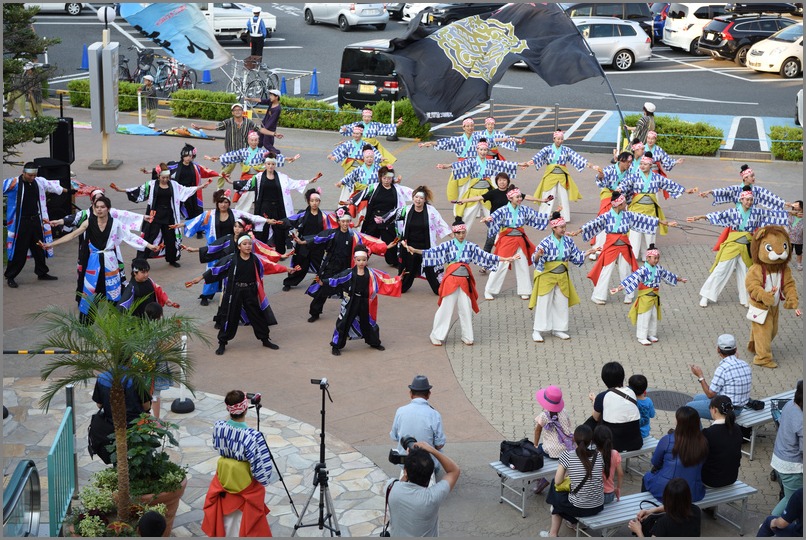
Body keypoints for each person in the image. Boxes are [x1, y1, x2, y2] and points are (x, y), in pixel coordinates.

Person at [40, 196, 158, 323]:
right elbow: (73, 234)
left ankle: (116, 320)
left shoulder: (116, 223)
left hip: (110, 261)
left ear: (108, 209)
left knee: (113, 291)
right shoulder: (89, 222)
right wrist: (51, 244)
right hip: (94, 262)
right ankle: (87, 321)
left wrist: (150, 246)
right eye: (97, 207)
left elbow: (131, 236)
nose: (100, 210)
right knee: (91, 290)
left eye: (102, 207)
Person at [405, 217, 518, 346]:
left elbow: (485, 255)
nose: (461, 235)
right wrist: (414, 250)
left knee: (465, 308)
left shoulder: (470, 246)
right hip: (451, 280)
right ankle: (436, 334)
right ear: (454, 233)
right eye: (458, 233)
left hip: (464, 280)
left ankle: (467, 336)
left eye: (463, 232)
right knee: (445, 308)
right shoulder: (447, 245)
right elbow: (432, 252)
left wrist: (506, 258)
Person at [186, 235, 294, 355]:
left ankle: (265, 339)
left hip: (250, 291)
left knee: (257, 316)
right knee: (229, 317)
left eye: (249, 244)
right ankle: (222, 342)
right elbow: (216, 269)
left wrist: (286, 269)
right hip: (235, 291)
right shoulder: (232, 259)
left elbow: (271, 266)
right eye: (245, 244)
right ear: (239, 246)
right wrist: (200, 277)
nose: (248, 246)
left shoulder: (256, 259)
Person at [687, 186, 789, 308]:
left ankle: (746, 298)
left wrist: (791, 212)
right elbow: (719, 215)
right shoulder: (733, 212)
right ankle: (706, 296)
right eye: (747, 200)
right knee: (721, 270)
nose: (749, 202)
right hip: (733, 244)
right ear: (741, 200)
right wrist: (700, 217)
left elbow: (773, 214)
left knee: (746, 273)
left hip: (746, 246)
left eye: (751, 200)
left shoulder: (757, 212)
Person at [569, 191, 673, 305]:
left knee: (626, 270)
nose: (626, 205)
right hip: (611, 246)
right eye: (624, 203)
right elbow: (593, 223)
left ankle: (629, 295)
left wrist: (660, 221)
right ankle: (598, 295)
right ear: (618, 205)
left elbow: (643, 218)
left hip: (624, 246)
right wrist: (579, 230)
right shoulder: (607, 216)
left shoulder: (628, 215)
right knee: (606, 271)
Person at [202, 390, 273, 537]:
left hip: (224, 482)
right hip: (244, 487)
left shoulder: (219, 427)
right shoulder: (253, 437)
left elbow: (217, 445)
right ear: (246, 409)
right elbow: (263, 475)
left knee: (227, 525)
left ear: (228, 408)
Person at [111, 166, 212, 267]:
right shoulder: (151, 184)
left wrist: (200, 186)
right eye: (163, 177)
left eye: (167, 177)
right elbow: (138, 190)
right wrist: (121, 190)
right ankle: (140, 260)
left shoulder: (173, 185)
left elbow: (185, 190)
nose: (165, 179)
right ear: (158, 176)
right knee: (148, 237)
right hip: (155, 216)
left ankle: (172, 259)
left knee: (171, 239)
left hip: (169, 216)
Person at [304, 207, 390, 323]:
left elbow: (368, 243)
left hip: (346, 268)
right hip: (331, 266)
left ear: (350, 222)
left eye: (347, 221)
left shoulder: (353, 236)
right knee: (322, 290)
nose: (345, 224)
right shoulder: (333, 234)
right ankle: (315, 312)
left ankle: (351, 314)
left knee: (350, 293)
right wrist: (302, 242)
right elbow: (318, 239)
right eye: (343, 221)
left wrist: (386, 247)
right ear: (339, 222)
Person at [182, 189, 267, 305]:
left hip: (232, 246)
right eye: (221, 202)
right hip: (216, 247)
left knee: (232, 271)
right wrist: (181, 224)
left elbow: (251, 217)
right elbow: (196, 221)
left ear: (229, 203)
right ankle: (206, 295)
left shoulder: (235, 214)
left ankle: (230, 292)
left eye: (226, 202)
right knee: (213, 269)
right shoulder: (210, 214)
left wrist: (267, 220)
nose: (223, 204)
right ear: (217, 203)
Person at [529, 212, 599, 342]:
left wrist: (587, 252)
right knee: (544, 302)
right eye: (560, 227)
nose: (563, 229)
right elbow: (535, 258)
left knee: (561, 303)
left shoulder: (568, 241)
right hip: (547, 276)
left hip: (562, 276)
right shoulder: (546, 242)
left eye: (564, 226)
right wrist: (538, 255)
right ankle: (537, 330)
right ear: (553, 228)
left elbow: (575, 256)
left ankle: (559, 328)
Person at [618, 154, 697, 261]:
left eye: (645, 164)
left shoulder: (656, 177)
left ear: (650, 165)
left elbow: (669, 184)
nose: (642, 166)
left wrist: (685, 190)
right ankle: (632, 257)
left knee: (649, 234)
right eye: (641, 164)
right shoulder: (634, 176)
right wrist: (619, 189)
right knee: (635, 235)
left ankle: (647, 257)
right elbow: (624, 184)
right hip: (636, 209)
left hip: (650, 208)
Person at [453, 172, 548, 260]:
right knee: (490, 242)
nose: (502, 182)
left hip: (508, 223)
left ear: (507, 181)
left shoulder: (512, 193)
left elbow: (526, 196)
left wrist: (542, 200)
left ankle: (505, 259)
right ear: (496, 182)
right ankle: (485, 263)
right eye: (499, 180)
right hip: (495, 221)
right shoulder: (493, 193)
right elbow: (479, 197)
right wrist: (463, 201)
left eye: (504, 180)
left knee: (505, 242)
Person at [232, 154, 319, 249]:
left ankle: (280, 251)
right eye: (268, 164)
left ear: (275, 165)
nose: (270, 166)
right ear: (265, 164)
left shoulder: (282, 178)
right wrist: (232, 183)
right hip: (264, 207)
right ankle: (262, 249)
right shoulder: (259, 177)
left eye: (272, 164)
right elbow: (248, 184)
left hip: (278, 207)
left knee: (279, 228)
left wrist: (309, 181)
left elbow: (294, 183)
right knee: (263, 227)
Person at [327, 246, 401, 356]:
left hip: (365, 302)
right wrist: (322, 282)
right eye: (359, 260)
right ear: (354, 260)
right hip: (351, 301)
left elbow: (384, 280)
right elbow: (336, 279)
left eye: (364, 260)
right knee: (344, 322)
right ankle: (336, 345)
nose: (361, 262)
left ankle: (374, 342)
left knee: (370, 323)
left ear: (367, 260)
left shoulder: (371, 273)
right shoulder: (349, 273)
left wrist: (398, 279)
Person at [609, 244, 688, 346]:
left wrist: (679, 279)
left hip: (654, 295)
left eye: (657, 258)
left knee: (653, 316)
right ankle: (641, 336)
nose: (656, 260)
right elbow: (632, 278)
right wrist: (621, 286)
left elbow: (668, 275)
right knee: (644, 316)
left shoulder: (659, 268)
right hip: (645, 296)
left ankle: (651, 334)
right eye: (654, 258)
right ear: (648, 258)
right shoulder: (643, 270)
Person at [3, 162, 67, 288]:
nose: (32, 177)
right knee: (19, 249)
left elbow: (53, 187)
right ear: (23, 172)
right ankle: (10, 275)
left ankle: (42, 272)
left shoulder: (38, 182)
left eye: (34, 175)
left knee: (39, 246)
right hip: (22, 222)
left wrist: (69, 191)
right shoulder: (15, 183)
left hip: (36, 220)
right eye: (29, 175)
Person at [482, 185, 550, 301]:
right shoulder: (503, 210)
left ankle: (525, 290)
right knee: (500, 265)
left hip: (520, 239)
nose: (519, 199)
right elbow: (493, 218)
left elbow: (537, 216)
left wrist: (552, 216)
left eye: (520, 196)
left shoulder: (524, 209)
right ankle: (489, 290)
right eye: (517, 197)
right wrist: (488, 220)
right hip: (507, 240)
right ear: (510, 198)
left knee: (522, 264)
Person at [437, 139, 521, 227]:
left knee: (492, 214)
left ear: (487, 151)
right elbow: (459, 165)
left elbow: (505, 164)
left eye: (485, 150)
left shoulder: (491, 162)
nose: (483, 152)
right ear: (477, 150)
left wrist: (520, 164)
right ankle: (460, 233)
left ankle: (498, 236)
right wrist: (446, 166)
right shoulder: (471, 161)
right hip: (474, 191)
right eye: (481, 149)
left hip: (487, 192)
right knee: (467, 215)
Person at [540, 424, 604, 537]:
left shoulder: (567, 455)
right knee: (564, 496)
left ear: (574, 439)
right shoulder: (598, 456)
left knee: (555, 492)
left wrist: (568, 475)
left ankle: (553, 534)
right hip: (598, 504)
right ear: (591, 441)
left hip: (580, 507)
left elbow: (558, 481)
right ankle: (572, 522)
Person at [386, 441, 460, 537]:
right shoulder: (432, 497)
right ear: (430, 475)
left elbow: (401, 483)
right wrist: (432, 450)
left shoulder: (391, 487)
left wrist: (411, 460)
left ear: (405, 471)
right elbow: (454, 470)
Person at [522, 130, 595, 222]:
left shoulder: (566, 150)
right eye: (558, 139)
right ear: (554, 139)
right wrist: (528, 164)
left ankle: (565, 217)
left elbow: (577, 158)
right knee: (548, 196)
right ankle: (544, 216)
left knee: (563, 197)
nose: (560, 141)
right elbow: (538, 157)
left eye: (561, 139)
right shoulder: (547, 149)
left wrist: (590, 165)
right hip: (550, 175)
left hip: (561, 176)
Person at [642, 406, 709, 503]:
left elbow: (655, 462)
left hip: (667, 490)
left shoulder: (667, 440)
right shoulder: (703, 441)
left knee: (647, 477)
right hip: (692, 492)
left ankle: (646, 510)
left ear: (679, 422)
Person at [349, 166, 412, 267]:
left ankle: (393, 260)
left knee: (390, 240)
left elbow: (412, 194)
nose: (387, 180)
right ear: (380, 177)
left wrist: (421, 198)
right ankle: (360, 258)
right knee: (367, 239)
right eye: (384, 178)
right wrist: (351, 201)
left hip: (388, 219)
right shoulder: (373, 187)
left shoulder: (397, 189)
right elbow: (362, 194)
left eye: (389, 178)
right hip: (373, 218)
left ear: (392, 178)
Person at [395, 185, 451, 294]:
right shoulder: (406, 210)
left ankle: (438, 288)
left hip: (426, 247)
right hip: (410, 247)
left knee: (430, 270)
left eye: (421, 198)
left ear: (425, 200)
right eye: (416, 197)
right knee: (408, 270)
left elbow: (441, 224)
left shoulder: (431, 211)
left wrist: (453, 236)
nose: (418, 200)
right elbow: (395, 219)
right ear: (413, 198)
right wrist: (400, 238)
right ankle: (403, 286)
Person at [191, 104, 263, 189]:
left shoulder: (249, 122)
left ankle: (251, 188)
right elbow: (215, 126)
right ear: (232, 112)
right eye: (235, 110)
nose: (237, 111)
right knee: (224, 172)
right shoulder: (228, 122)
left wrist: (273, 133)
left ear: (242, 111)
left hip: (245, 153)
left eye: (239, 109)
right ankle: (219, 189)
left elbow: (260, 130)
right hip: (231, 153)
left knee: (250, 171)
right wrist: (200, 127)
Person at [91, 367, 152, 463]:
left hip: (113, 427)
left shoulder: (102, 378)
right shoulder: (136, 379)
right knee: (141, 457)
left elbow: (99, 405)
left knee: (119, 459)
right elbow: (146, 406)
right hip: (137, 427)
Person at [686, 334, 752, 420]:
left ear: (718, 349)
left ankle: (697, 433)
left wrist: (700, 376)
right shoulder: (745, 364)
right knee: (696, 398)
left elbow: (710, 394)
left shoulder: (723, 369)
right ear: (735, 349)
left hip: (726, 410)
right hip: (740, 406)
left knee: (688, 409)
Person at [390, 375, 447, 473]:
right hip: (426, 463)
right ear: (428, 394)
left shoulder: (400, 411)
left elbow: (394, 437)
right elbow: (439, 444)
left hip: (405, 461)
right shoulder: (434, 414)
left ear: (411, 394)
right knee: (439, 453)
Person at [282, 188, 335, 291]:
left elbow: (332, 227)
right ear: (308, 201)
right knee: (299, 265)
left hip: (317, 244)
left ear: (319, 202)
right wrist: (278, 223)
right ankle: (289, 282)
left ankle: (323, 283)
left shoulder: (324, 216)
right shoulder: (303, 214)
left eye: (317, 200)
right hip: (303, 244)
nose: (314, 203)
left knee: (321, 265)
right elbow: (290, 221)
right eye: (312, 201)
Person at [585, 361, 642, 452]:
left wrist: (595, 401)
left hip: (614, 444)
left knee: (591, 421)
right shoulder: (631, 392)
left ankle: (582, 444)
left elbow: (595, 417)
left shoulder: (602, 396)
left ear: (604, 379)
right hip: (636, 442)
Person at [531, 385, 575, 494]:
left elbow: (537, 431)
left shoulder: (544, 415)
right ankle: (551, 477)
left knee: (538, 450)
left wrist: (535, 445)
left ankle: (541, 478)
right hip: (567, 448)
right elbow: (568, 426)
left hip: (550, 451)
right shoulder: (564, 412)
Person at [590, 152, 632, 260]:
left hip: (621, 199)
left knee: (620, 225)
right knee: (603, 222)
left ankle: (618, 251)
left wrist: (628, 201)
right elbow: (599, 180)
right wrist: (600, 176)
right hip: (608, 195)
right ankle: (597, 250)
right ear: (621, 160)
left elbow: (629, 188)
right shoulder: (609, 169)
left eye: (631, 162)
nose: (629, 164)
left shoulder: (630, 173)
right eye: (628, 162)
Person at [769, 380, 803, 517]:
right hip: (792, 466)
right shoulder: (801, 420)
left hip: (780, 458)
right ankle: (768, 526)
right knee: (792, 500)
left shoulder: (790, 404)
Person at [627, 478, 702, 537]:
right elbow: (678, 505)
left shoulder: (663, 523)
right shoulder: (696, 510)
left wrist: (638, 530)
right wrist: (650, 511)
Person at [170, 143, 220, 222]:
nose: (189, 158)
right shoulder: (175, 166)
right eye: (187, 156)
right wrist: (148, 171)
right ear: (182, 155)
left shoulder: (195, 167)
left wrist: (220, 174)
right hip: (179, 191)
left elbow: (207, 171)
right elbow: (162, 169)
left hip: (192, 191)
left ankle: (198, 229)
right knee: (174, 209)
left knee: (195, 210)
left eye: (190, 156)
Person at [701, 395, 742, 488]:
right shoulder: (737, 428)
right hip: (731, 478)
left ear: (714, 410)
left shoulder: (708, 433)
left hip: (710, 480)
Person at [246, 88, 283, 153]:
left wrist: (264, 130)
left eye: (272, 95)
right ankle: (255, 153)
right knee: (258, 142)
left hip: (269, 129)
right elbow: (261, 100)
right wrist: (249, 99)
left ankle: (277, 153)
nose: (270, 97)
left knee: (267, 144)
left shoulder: (277, 109)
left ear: (276, 97)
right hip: (264, 126)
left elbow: (272, 121)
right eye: (270, 95)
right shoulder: (271, 102)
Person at [593, 425, 623, 504]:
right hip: (609, 495)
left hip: (595, 496)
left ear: (594, 441)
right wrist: (618, 488)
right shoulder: (615, 453)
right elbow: (620, 473)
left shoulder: (593, 455)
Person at [785, 200, 803, 271]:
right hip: (790, 238)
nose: (797, 212)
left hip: (799, 240)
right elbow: (783, 213)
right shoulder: (790, 216)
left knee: (799, 252)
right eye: (795, 210)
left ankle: (799, 263)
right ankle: (786, 262)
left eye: (799, 210)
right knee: (789, 251)